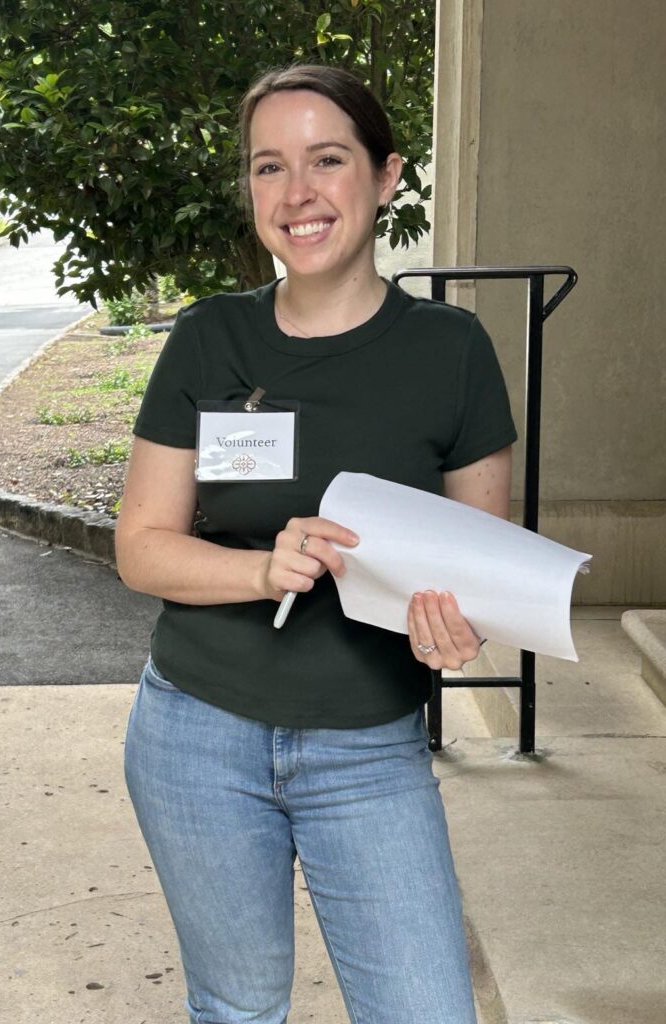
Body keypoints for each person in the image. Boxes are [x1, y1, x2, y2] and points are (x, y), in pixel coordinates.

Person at [117, 63, 516, 1024]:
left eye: (327, 160)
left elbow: (486, 569)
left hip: (367, 749)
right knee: (237, 1007)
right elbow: (142, 547)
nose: (296, 193)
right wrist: (264, 568)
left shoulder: (451, 351)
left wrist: (459, 626)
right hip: (196, 734)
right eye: (269, 167)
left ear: (386, 177)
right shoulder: (209, 339)